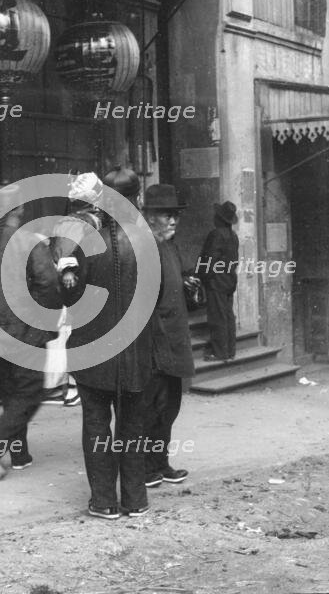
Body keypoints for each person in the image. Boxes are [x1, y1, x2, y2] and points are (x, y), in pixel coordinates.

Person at [65, 165, 154, 520]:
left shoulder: (87, 239)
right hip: (136, 351)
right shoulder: (147, 240)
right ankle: (136, 500)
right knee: (133, 425)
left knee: (97, 423)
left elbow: (69, 294)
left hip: (94, 350)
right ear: (137, 198)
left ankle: (104, 501)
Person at [0, 182, 62, 479]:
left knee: (11, 392)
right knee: (30, 394)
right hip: (24, 333)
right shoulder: (28, 241)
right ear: (20, 209)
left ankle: (20, 454)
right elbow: (50, 285)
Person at [142, 184, 196, 487]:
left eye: (175, 215)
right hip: (156, 342)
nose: (173, 220)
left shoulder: (169, 245)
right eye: (166, 215)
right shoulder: (147, 248)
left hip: (175, 340)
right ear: (150, 217)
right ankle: (148, 468)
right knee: (153, 408)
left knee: (170, 406)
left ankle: (160, 463)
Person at [42, 172, 105, 407]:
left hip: (70, 282)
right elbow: (68, 253)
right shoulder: (81, 223)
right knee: (70, 335)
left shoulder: (68, 221)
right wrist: (69, 271)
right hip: (73, 284)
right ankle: (68, 388)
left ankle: (65, 386)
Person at [197, 201, 239, 362]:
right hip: (229, 281)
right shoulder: (233, 236)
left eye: (216, 215)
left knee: (217, 317)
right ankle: (230, 350)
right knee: (228, 315)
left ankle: (219, 352)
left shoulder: (216, 234)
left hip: (216, 282)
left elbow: (209, 260)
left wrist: (200, 276)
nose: (214, 217)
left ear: (220, 219)